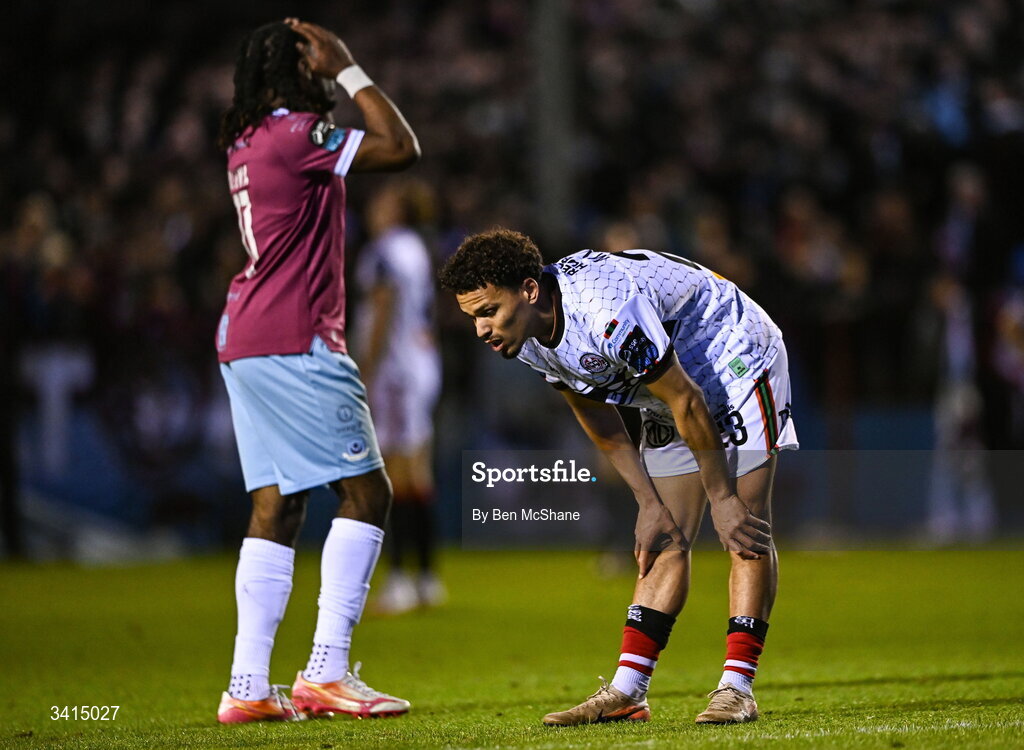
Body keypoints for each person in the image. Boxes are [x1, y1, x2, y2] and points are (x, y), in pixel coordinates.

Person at [439, 229, 797, 726]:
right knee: (665, 535)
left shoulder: (605, 310)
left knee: (743, 527)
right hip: (665, 381)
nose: (481, 329)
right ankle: (629, 690)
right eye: (472, 317)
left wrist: (721, 497)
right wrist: (646, 501)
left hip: (733, 355)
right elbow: (594, 412)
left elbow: (689, 400)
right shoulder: (523, 338)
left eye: (487, 311)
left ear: (528, 289)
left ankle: (737, 687)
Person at [213, 18, 420, 724]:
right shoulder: (295, 134)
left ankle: (246, 686)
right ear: (292, 73)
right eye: (314, 63)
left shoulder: (245, 140)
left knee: (278, 503)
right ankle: (326, 671)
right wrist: (354, 69)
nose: (324, 72)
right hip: (297, 336)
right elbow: (400, 147)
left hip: (244, 335)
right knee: (368, 493)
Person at [353, 179, 445, 613]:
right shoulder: (415, 247)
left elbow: (384, 307)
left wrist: (366, 367)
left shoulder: (387, 250)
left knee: (393, 473)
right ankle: (426, 578)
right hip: (420, 363)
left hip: (394, 370)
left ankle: (399, 580)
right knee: (416, 473)